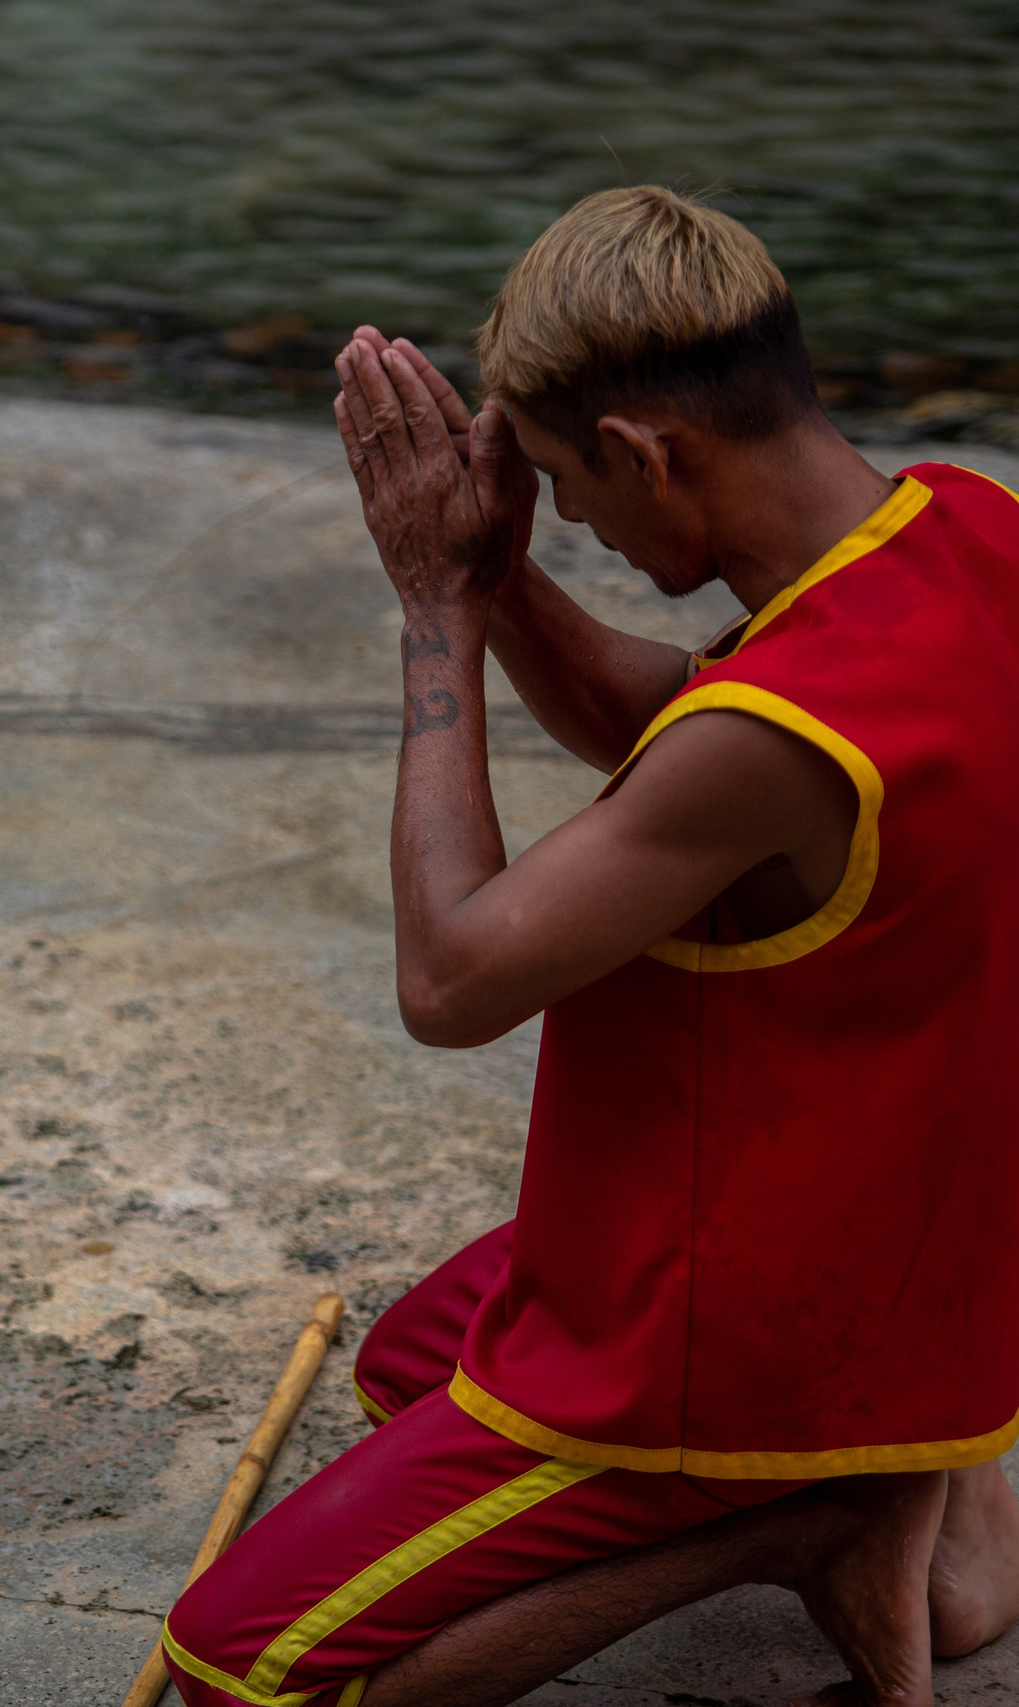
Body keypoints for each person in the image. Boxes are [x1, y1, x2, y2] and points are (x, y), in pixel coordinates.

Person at [158, 186, 1019, 1707]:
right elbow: (701, 732)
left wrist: (435, 613)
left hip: (741, 1332)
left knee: (241, 1668)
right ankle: (935, 1500)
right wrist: (501, 585)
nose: (570, 522)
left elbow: (453, 979)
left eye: (563, 482)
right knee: (414, 1360)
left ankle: (813, 1522)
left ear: (640, 453)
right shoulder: (969, 529)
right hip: (934, 1255)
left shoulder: (763, 749)